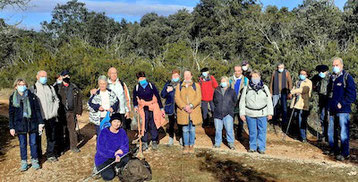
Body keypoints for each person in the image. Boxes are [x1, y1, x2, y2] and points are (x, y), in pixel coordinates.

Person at [9, 78, 44, 171]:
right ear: (15, 86)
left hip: (32, 123)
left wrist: (40, 122)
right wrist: (11, 127)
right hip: (20, 125)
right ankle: (24, 161)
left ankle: (35, 160)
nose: (22, 86)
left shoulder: (32, 96)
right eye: (20, 85)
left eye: (24, 84)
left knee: (33, 143)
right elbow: (11, 113)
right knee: (22, 144)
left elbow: (37, 110)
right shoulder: (12, 98)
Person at [326, 57, 356, 161]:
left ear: (342, 66)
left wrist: (342, 103)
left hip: (343, 110)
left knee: (343, 132)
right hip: (332, 109)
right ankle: (334, 149)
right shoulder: (332, 78)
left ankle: (345, 153)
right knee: (331, 131)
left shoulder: (347, 77)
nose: (334, 67)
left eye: (337, 65)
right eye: (333, 65)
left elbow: (352, 95)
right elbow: (329, 93)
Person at [239, 70, 273, 154]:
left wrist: (270, 113)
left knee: (262, 131)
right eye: (253, 77)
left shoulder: (264, 88)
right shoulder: (246, 88)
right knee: (252, 131)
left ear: (260, 77)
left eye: (256, 76)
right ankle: (252, 147)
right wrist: (242, 113)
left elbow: (269, 101)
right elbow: (242, 101)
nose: (255, 78)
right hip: (250, 113)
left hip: (262, 113)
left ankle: (261, 148)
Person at [31, 70, 60, 162]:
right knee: (37, 138)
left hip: (51, 116)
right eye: (42, 76)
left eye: (45, 76)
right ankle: (38, 155)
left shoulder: (50, 87)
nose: (44, 78)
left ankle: (50, 154)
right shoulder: (33, 88)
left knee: (51, 136)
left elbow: (56, 100)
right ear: (37, 77)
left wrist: (54, 111)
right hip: (39, 118)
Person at [133, 71, 166, 151]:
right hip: (143, 109)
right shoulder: (137, 87)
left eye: (143, 78)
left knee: (153, 124)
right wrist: (135, 106)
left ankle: (154, 140)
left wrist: (161, 108)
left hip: (153, 108)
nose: (142, 80)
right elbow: (134, 97)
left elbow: (157, 97)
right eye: (140, 78)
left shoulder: (151, 86)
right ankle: (144, 142)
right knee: (144, 125)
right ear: (138, 79)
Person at [95, 113, 129, 181]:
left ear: (121, 123)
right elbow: (101, 149)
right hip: (104, 158)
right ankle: (99, 168)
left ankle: (115, 167)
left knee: (127, 158)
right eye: (114, 121)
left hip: (117, 157)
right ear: (111, 122)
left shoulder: (122, 132)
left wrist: (119, 154)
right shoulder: (104, 132)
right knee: (109, 176)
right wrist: (115, 154)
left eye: (118, 121)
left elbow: (125, 147)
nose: (116, 124)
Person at [175, 70, 202, 154]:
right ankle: (185, 145)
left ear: (191, 76)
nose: (187, 76)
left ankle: (191, 145)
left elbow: (198, 97)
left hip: (193, 111)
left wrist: (191, 105)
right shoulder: (179, 86)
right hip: (183, 111)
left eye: (188, 75)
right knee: (185, 129)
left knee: (192, 129)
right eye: (185, 75)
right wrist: (184, 107)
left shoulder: (196, 86)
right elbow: (177, 98)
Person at [57, 70, 83, 153]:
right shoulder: (57, 87)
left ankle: (73, 146)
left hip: (71, 111)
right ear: (61, 77)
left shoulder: (74, 87)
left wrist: (79, 111)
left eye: (68, 75)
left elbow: (79, 99)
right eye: (64, 76)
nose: (66, 77)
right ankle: (62, 147)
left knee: (72, 130)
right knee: (62, 130)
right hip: (61, 112)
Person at [213, 76, 237, 149]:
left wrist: (231, 110)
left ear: (227, 82)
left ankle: (231, 143)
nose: (223, 82)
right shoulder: (217, 90)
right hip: (217, 113)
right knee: (218, 129)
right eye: (222, 81)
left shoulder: (232, 91)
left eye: (224, 81)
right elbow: (213, 101)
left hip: (228, 113)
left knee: (229, 129)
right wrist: (216, 108)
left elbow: (235, 101)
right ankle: (217, 143)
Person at [289, 69, 312, 143]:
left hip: (303, 104)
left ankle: (303, 137)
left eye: (304, 74)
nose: (302, 75)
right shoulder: (297, 81)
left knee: (301, 121)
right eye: (301, 73)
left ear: (306, 75)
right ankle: (296, 134)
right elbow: (295, 88)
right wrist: (294, 92)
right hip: (296, 103)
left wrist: (293, 92)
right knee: (295, 119)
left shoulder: (308, 82)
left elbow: (304, 90)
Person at [161, 69, 182, 146]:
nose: (175, 77)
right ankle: (171, 138)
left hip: (180, 107)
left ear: (179, 76)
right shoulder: (168, 84)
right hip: (170, 107)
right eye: (174, 75)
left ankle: (180, 138)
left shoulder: (181, 84)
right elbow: (162, 95)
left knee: (180, 123)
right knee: (171, 123)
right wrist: (167, 91)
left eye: (176, 75)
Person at [228, 65, 249, 141]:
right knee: (231, 119)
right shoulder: (230, 79)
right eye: (236, 71)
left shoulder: (246, 80)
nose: (237, 72)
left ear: (241, 71)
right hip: (232, 102)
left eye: (239, 71)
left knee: (241, 120)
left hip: (241, 102)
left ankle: (239, 135)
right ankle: (230, 135)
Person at [269, 63, 293, 129]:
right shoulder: (274, 73)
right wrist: (270, 92)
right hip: (275, 92)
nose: (280, 69)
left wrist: (290, 92)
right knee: (274, 106)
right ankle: (274, 121)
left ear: (284, 67)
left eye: (281, 67)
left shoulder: (287, 73)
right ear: (277, 67)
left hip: (284, 93)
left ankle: (284, 121)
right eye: (279, 67)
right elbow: (271, 83)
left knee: (284, 107)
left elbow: (290, 82)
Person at [311, 65, 330, 142]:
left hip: (329, 99)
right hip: (321, 99)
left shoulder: (331, 77)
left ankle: (329, 135)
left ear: (326, 71)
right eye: (319, 72)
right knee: (322, 117)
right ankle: (324, 134)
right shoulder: (317, 77)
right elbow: (311, 82)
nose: (320, 73)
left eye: (321, 72)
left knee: (328, 118)